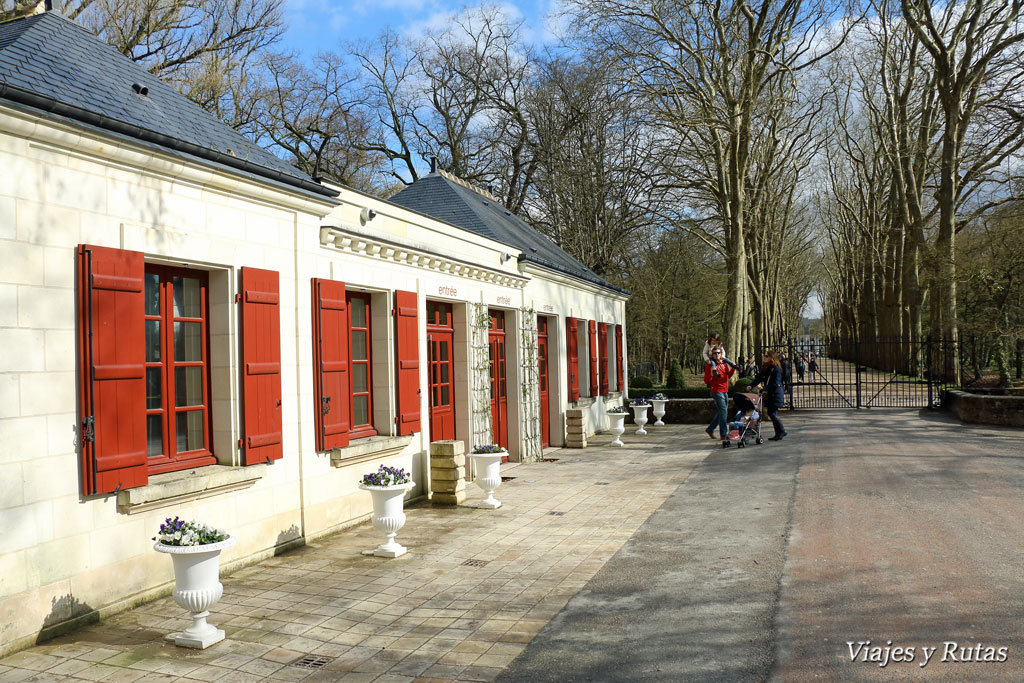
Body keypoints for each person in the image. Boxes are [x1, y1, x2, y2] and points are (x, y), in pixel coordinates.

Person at [749, 350, 788, 441]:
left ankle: (782, 430)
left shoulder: (776, 369)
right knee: (772, 413)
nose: (765, 357)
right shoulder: (767, 368)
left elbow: (775, 383)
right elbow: (759, 377)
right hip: (771, 394)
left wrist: (763, 388)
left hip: (776, 394)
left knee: (771, 413)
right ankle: (778, 434)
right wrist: (751, 385)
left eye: (766, 356)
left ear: (771, 358)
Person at [704, 345, 736, 446]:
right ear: (712, 355)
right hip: (716, 391)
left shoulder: (725, 363)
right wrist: (711, 373)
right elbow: (706, 381)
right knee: (723, 411)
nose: (717, 355)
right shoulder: (710, 366)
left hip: (724, 390)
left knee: (722, 412)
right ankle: (723, 434)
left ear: (721, 354)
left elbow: (728, 376)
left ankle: (710, 429)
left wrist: (733, 368)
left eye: (718, 353)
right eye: (715, 353)